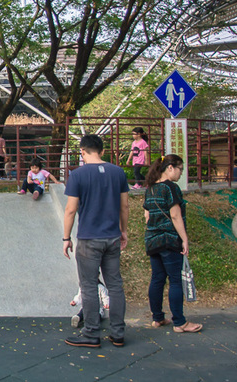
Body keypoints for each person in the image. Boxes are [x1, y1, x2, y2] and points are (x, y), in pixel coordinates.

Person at [62, 134, 129, 348]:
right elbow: (124, 206)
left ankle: (91, 333)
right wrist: (124, 231)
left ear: (82, 151)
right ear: (101, 150)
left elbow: (71, 209)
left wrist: (66, 238)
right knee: (115, 285)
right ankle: (118, 333)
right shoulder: (118, 172)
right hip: (112, 237)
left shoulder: (78, 175)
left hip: (89, 238)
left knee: (89, 285)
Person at [143, 155, 203, 333]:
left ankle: (158, 318)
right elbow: (175, 215)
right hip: (169, 239)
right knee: (175, 280)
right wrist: (184, 238)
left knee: (157, 279)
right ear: (170, 168)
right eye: (180, 169)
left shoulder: (151, 188)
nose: (180, 173)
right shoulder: (171, 188)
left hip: (152, 240)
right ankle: (179, 322)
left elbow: (147, 216)